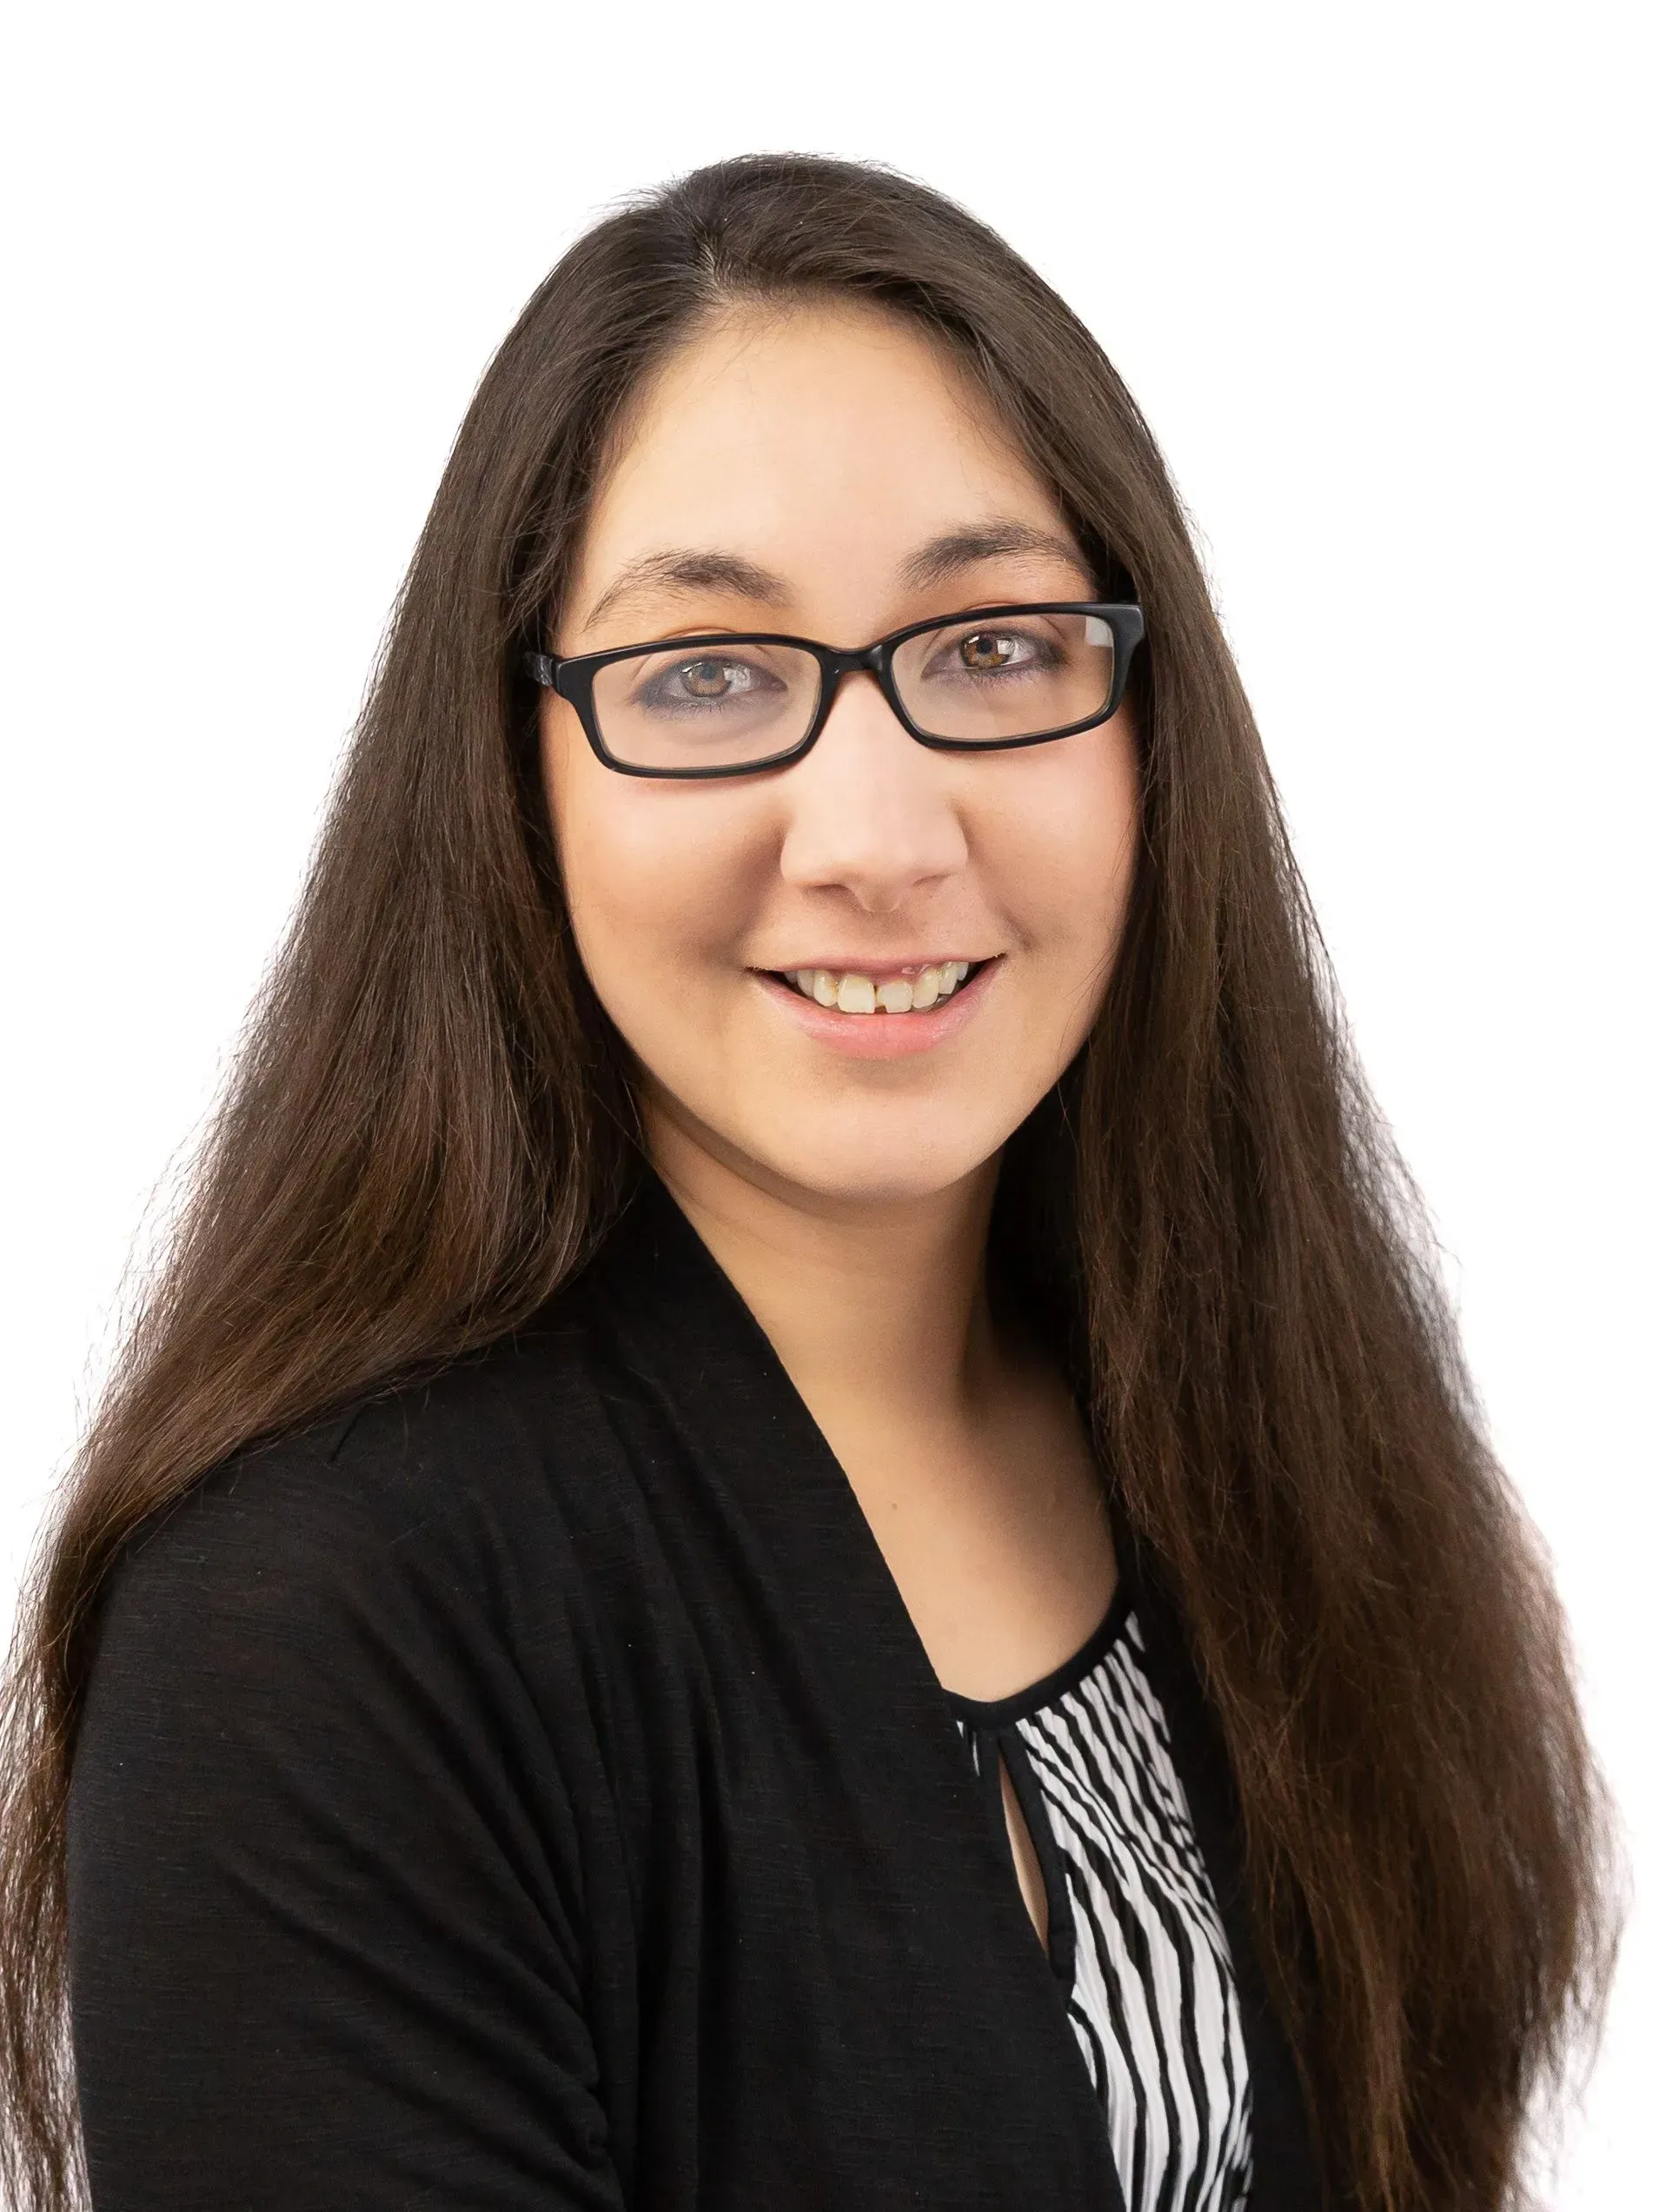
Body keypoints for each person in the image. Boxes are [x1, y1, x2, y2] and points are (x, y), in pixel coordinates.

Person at [0, 154, 1616, 2212]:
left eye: (998, 646)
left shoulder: (1327, 1491)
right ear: (513, 778)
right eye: (704, 679)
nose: (874, 829)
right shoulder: (319, 1623)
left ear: (1150, 722)